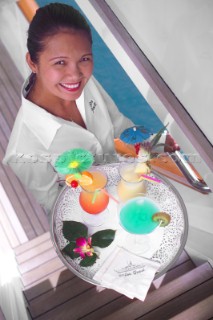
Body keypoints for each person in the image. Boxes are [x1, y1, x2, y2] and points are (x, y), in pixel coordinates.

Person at [3, 3, 133, 216]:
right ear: (32, 62)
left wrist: (152, 151)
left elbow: (120, 125)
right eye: (60, 62)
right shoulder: (23, 151)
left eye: (84, 59)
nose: (75, 75)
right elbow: (59, 209)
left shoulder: (85, 83)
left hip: (126, 191)